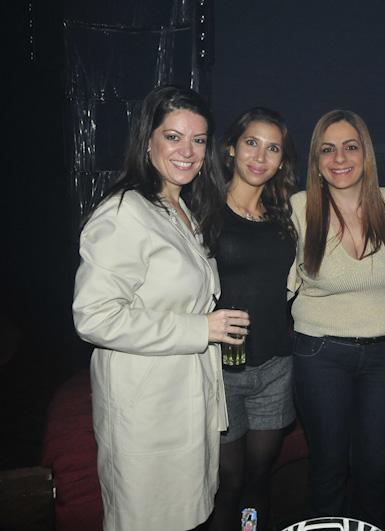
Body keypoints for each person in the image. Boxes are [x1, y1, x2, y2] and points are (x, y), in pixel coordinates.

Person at [72, 85, 249, 531]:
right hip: (148, 407)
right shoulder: (123, 212)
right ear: (147, 140)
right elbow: (95, 316)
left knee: (188, 515)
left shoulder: (178, 207)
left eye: (198, 139)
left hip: (185, 396)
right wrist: (201, 329)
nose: (187, 151)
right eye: (173, 136)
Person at [288, 110, 385, 527]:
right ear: (316, 161)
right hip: (321, 354)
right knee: (329, 468)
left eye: (350, 147)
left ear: (366, 154)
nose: (339, 158)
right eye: (328, 149)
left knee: (375, 470)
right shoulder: (298, 208)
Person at [208, 108, 297, 530]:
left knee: (260, 479)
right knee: (229, 482)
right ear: (231, 148)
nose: (261, 156)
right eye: (251, 143)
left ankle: (252, 528)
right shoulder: (203, 212)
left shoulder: (284, 216)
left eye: (272, 148)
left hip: (276, 365)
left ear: (281, 160)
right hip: (222, 370)